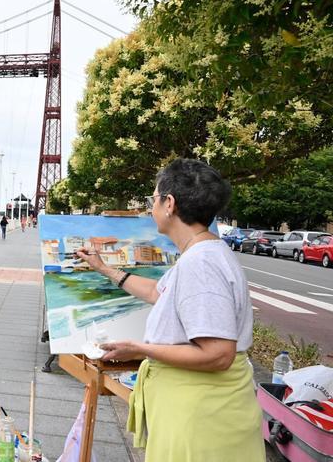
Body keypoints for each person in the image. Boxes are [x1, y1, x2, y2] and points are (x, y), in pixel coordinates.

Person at [75, 158, 263, 461]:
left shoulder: (201, 264)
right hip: (198, 408)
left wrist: (139, 348)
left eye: (154, 198)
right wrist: (104, 269)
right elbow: (155, 292)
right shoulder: (202, 253)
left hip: (201, 416)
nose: (151, 208)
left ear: (169, 203)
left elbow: (218, 353)